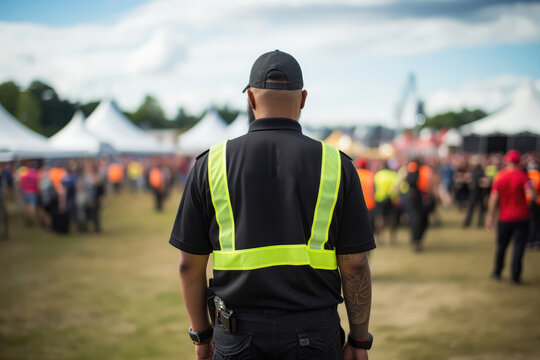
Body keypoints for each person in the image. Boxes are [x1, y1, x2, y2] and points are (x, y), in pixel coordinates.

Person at [170, 50, 375, 360]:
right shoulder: (337, 165)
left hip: (237, 336)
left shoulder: (210, 164)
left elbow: (189, 265)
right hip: (315, 336)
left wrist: (202, 336)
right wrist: (359, 341)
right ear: (303, 99)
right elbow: (356, 264)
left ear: (251, 99)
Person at [486, 150, 534, 284]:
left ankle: (497, 272)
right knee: (518, 247)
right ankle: (515, 276)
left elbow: (493, 198)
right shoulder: (523, 176)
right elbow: (530, 194)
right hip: (522, 216)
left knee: (501, 246)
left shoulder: (500, 176)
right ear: (518, 162)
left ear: (507, 161)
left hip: (505, 217)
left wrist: (490, 216)